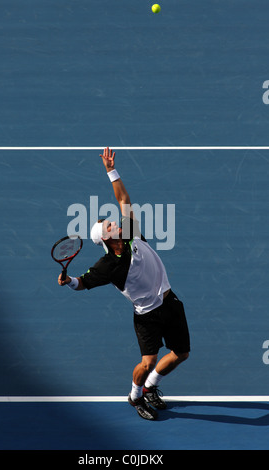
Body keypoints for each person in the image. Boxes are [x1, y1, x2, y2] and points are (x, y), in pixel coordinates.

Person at [58, 147, 190, 420]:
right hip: (147, 317)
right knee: (147, 362)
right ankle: (135, 395)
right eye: (109, 225)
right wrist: (68, 280)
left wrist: (110, 170)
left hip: (170, 301)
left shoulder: (131, 232)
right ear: (105, 239)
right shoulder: (107, 267)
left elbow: (123, 199)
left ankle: (152, 386)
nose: (114, 223)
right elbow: (82, 283)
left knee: (181, 353)